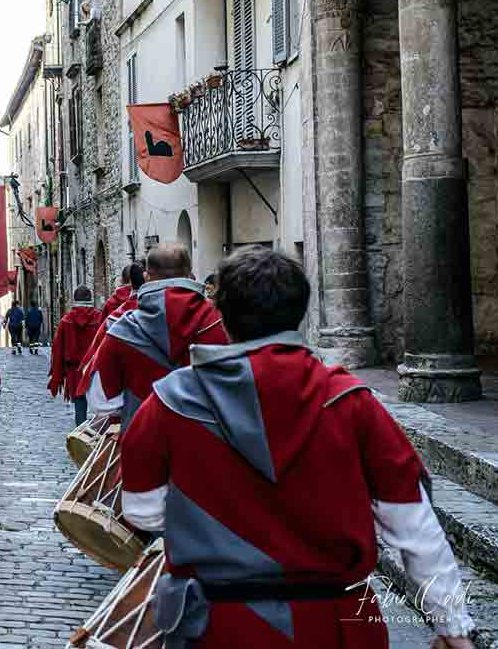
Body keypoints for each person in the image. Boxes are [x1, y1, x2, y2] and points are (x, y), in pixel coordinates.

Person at [119, 246, 475, 649]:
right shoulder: (352, 401)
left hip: (220, 627)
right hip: (338, 627)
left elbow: (142, 512)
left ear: (221, 312)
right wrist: (452, 626)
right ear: (300, 311)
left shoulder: (168, 402)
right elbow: (414, 525)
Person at [81, 243, 227, 432]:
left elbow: (100, 402)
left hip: (143, 442)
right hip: (209, 445)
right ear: (189, 273)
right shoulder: (224, 323)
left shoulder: (122, 330)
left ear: (147, 276)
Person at [48, 286, 104, 427]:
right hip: (95, 369)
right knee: (102, 406)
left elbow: (57, 348)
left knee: (80, 406)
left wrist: (58, 374)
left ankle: (81, 434)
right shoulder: (99, 318)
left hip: (75, 372)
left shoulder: (66, 320)